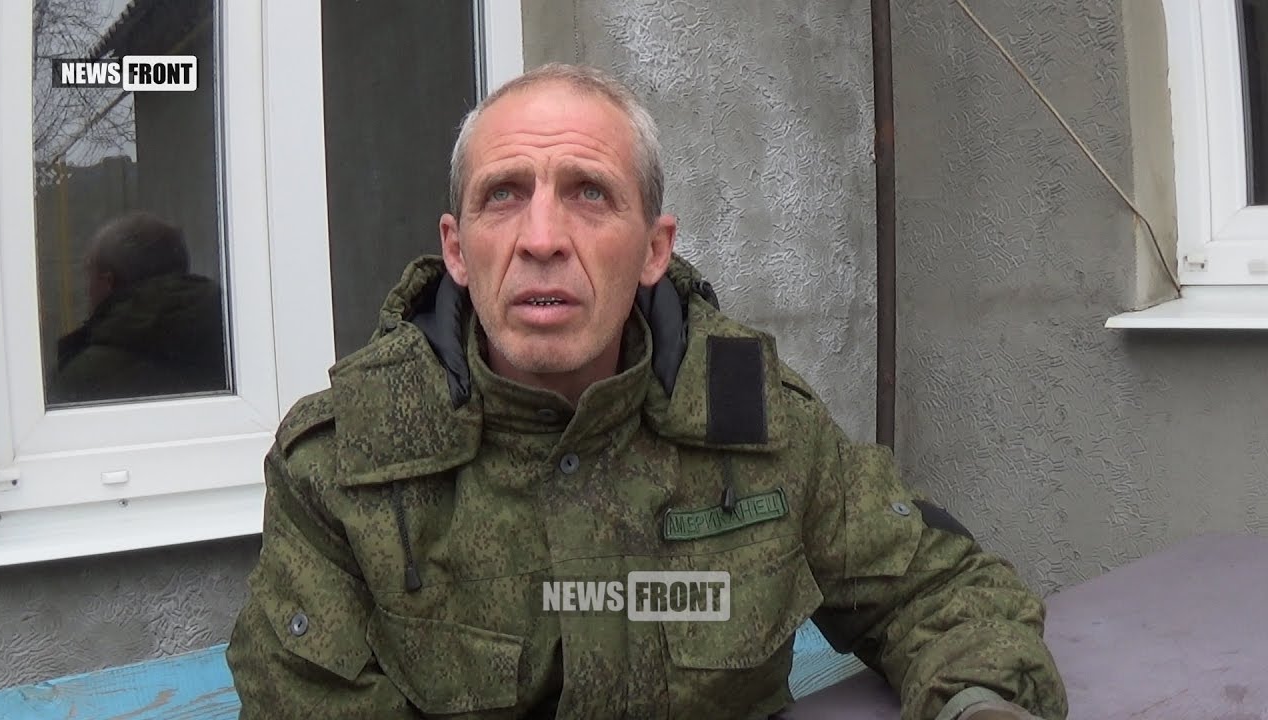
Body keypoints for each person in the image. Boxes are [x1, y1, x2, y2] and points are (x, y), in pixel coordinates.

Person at [226, 63, 1068, 720]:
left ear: (654, 250)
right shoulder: (343, 464)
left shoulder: (756, 423)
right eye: (503, 196)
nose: (542, 239)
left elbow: (938, 590)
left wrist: (981, 703)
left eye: (589, 194)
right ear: (457, 249)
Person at [50, 211, 227, 404]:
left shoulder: (84, 379)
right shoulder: (234, 346)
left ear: (108, 282)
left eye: (89, 274)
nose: (87, 290)